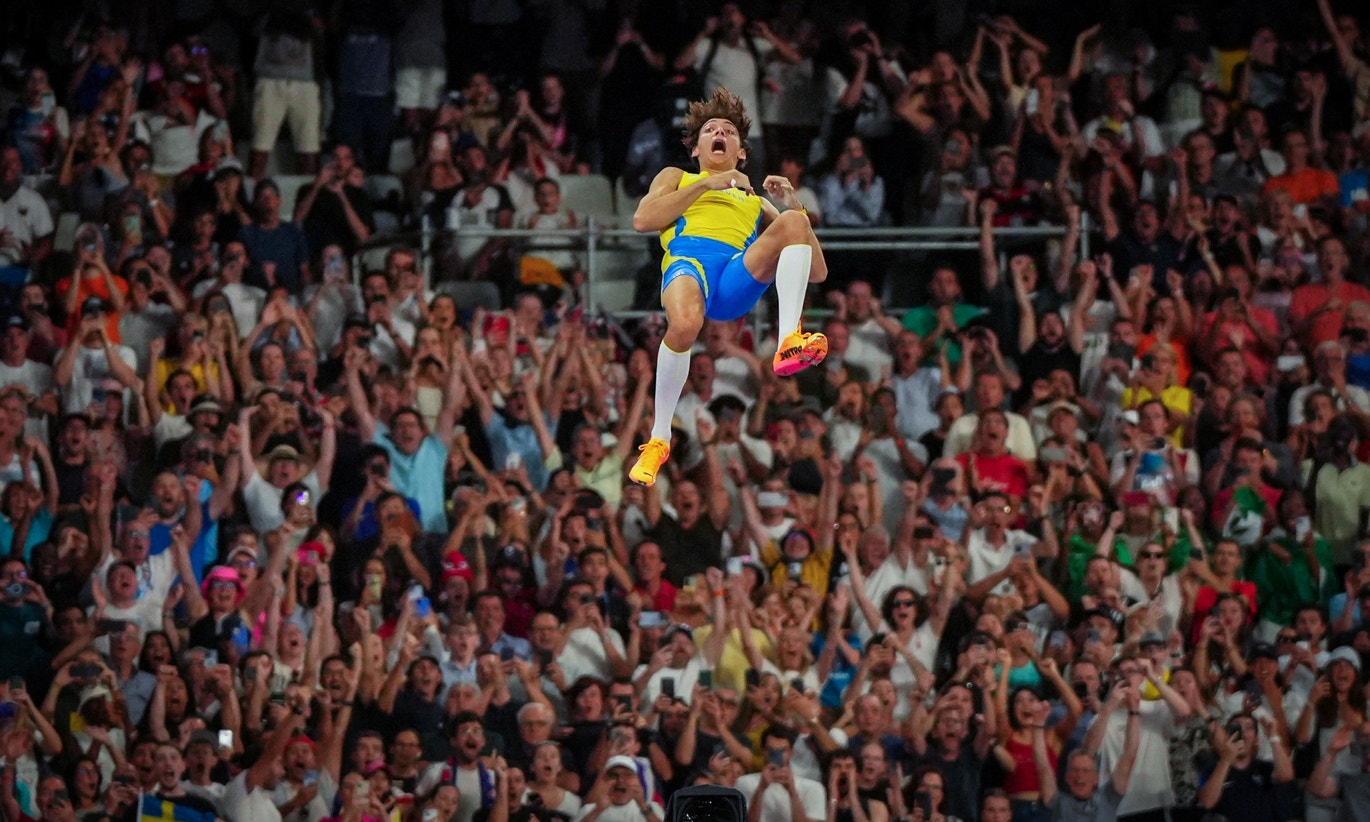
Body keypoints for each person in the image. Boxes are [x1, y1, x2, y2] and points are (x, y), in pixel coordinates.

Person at [627, 87, 829, 486]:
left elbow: (817, 271)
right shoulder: (677, 177)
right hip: (690, 264)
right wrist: (706, 185)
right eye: (710, 130)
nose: (719, 132)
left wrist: (793, 206)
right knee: (684, 325)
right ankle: (659, 439)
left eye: (728, 131)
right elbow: (643, 220)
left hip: (736, 276)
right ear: (697, 149)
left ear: (741, 153)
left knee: (794, 224)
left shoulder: (754, 199)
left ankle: (789, 338)